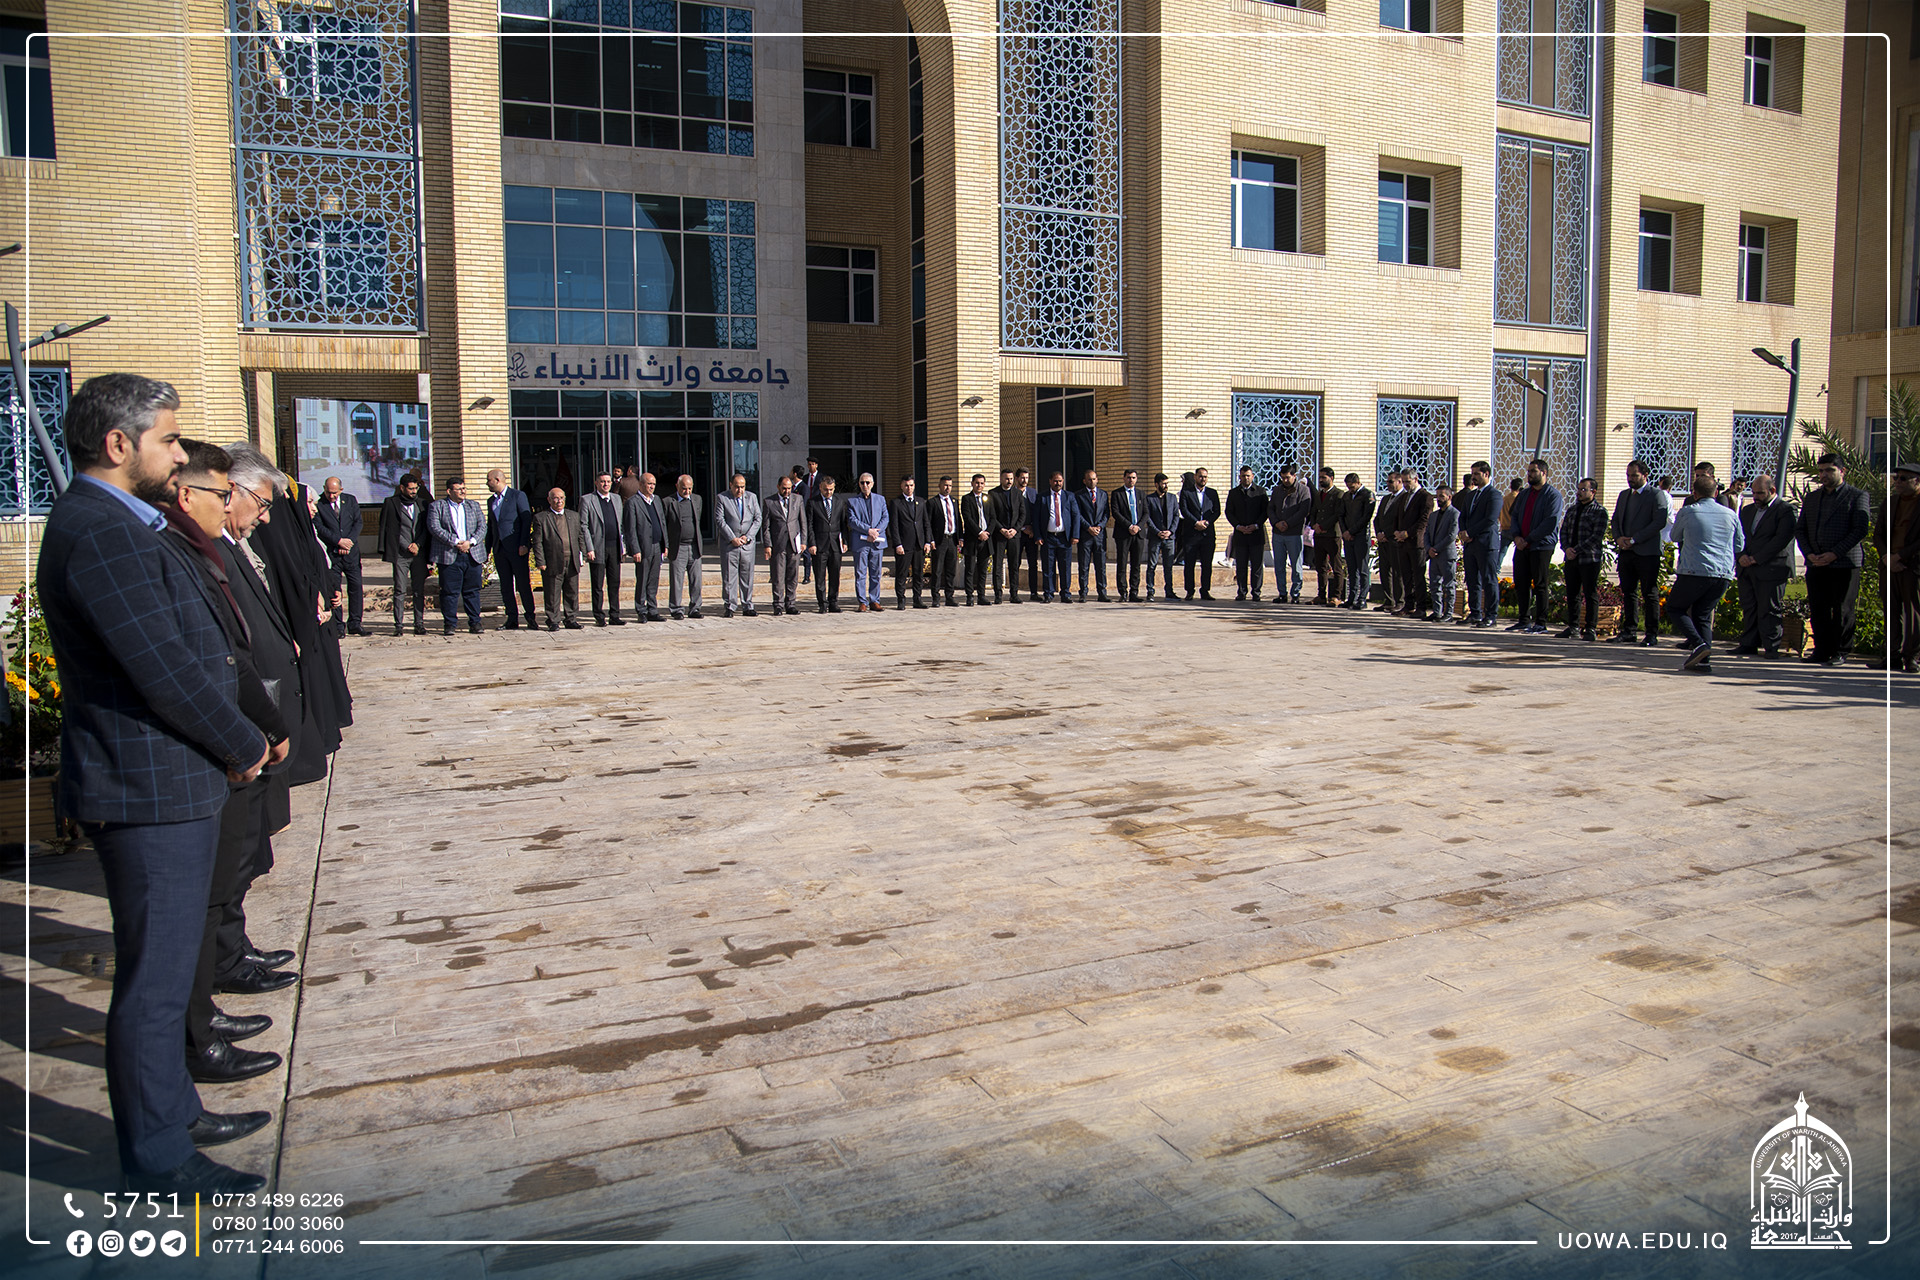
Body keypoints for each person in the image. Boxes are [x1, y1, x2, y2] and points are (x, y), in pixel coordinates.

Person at [36, 374, 273, 1194]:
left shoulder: (116, 522)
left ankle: (174, 1109)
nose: (179, 455)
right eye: (168, 439)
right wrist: (243, 742)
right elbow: (162, 669)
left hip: (166, 779)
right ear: (118, 444)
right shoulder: (101, 530)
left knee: (165, 975)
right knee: (155, 983)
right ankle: (160, 1157)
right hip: (147, 785)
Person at [160, 443, 295, 1088]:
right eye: (245, 501)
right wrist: (251, 737)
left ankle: (224, 968)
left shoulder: (208, 546)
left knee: (230, 872)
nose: (260, 517)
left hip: (242, 729)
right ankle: (193, 1040)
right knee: (197, 901)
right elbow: (193, 663)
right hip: (202, 754)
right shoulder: (155, 547)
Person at [216, 442, 305, 949]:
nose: (265, 519)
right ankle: (227, 957)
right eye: (263, 504)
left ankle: (234, 950)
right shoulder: (207, 549)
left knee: (239, 861)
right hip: (239, 724)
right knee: (226, 870)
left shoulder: (229, 544)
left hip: (256, 712)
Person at [1795, 453, 1873, 666]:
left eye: (1829, 470)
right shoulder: (1812, 498)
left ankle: (1840, 651)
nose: (1824, 475)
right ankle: (1821, 650)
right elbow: (1800, 529)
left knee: (1842, 609)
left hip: (1844, 563)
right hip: (1816, 562)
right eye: (1821, 471)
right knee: (1818, 607)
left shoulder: (1857, 496)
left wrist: (1835, 553)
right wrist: (1809, 553)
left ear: (1842, 471)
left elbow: (1860, 529)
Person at [1667, 474, 1746, 673]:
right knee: (1702, 614)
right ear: (1716, 492)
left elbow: (1674, 536)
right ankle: (1704, 662)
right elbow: (1739, 545)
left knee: (1675, 607)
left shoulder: (1689, 511)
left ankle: (1698, 644)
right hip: (1722, 573)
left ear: (1694, 493)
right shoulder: (1730, 514)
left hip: (1694, 571)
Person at [1733, 474, 1795, 658]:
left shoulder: (1785, 510)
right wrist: (1741, 556)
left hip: (1772, 567)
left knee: (1769, 608)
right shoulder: (1747, 510)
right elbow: (1738, 536)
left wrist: (1756, 558)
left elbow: (1781, 539)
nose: (1756, 497)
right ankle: (1748, 643)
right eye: (1753, 493)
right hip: (1747, 567)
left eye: (1760, 493)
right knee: (1749, 606)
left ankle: (1771, 645)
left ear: (1772, 490)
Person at [1609, 459, 1671, 646]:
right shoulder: (1624, 495)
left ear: (1645, 475)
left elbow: (1659, 521)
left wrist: (1635, 539)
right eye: (1628, 475)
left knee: (1649, 593)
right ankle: (1629, 630)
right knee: (1628, 592)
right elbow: (1616, 520)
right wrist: (1619, 538)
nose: (1630, 479)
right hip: (1626, 552)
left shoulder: (1656, 495)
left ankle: (1651, 633)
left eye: (1634, 475)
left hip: (1647, 552)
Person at [1505, 458, 1564, 635]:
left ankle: (1541, 622)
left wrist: (1529, 539)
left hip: (1541, 546)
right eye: (1529, 471)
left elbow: (1550, 522)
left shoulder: (1553, 495)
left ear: (1543, 473)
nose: (1529, 474)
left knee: (1540, 584)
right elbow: (1514, 516)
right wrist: (1517, 536)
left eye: (1533, 471)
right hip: (1521, 545)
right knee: (1521, 583)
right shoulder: (1524, 494)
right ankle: (1523, 620)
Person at [1877, 461, 1920, 672]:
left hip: (1912, 566)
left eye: (1903, 479)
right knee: (1891, 612)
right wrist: (1887, 557)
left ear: (1917, 481)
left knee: (1913, 613)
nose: (1897, 482)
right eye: (1896, 478)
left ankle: (1912, 656)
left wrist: (1900, 557)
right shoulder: (1890, 502)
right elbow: (1878, 534)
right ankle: (1891, 656)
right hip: (1889, 565)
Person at [427, 478, 486, 634]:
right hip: (449, 555)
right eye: (459, 489)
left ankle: (475, 622)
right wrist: (455, 542)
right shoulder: (437, 506)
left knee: (472, 591)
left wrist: (470, 542)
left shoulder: (473, 505)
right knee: (450, 591)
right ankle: (450, 624)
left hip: (472, 554)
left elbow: (482, 527)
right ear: (449, 491)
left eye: (464, 488)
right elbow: (434, 527)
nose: (463, 491)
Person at [375, 472, 429, 635]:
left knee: (419, 590)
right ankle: (398, 625)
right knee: (400, 589)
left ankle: (419, 623)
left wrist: (418, 544)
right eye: (410, 489)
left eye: (415, 488)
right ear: (402, 488)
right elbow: (389, 529)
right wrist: (406, 545)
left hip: (418, 554)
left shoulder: (422, 503)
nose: (413, 491)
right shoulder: (391, 503)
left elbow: (426, 528)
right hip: (400, 554)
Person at [484, 469, 536, 631]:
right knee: (506, 585)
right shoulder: (491, 501)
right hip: (500, 549)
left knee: (523, 584)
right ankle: (512, 618)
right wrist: (487, 549)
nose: (487, 483)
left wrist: (524, 544)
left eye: (489, 480)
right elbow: (491, 526)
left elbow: (526, 520)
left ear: (497, 480)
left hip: (516, 548)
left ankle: (530, 616)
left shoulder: (517, 496)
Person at [1556, 477, 1607, 640]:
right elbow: (1563, 531)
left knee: (1590, 593)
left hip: (1589, 559)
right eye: (1578, 489)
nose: (1579, 492)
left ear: (1593, 492)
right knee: (1572, 593)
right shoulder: (1572, 510)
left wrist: (1576, 550)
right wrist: (1566, 548)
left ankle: (1590, 628)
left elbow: (1596, 536)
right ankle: (1573, 626)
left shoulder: (1599, 511)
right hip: (1571, 559)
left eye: (1584, 489)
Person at [314, 476, 365, 636]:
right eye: (328, 492)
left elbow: (358, 522)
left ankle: (355, 623)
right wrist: (338, 541)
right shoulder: (319, 503)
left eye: (334, 493)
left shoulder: (350, 500)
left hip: (351, 554)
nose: (331, 496)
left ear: (341, 490)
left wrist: (348, 542)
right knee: (334, 590)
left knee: (355, 587)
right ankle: (338, 626)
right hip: (332, 555)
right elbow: (319, 527)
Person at [531, 487, 585, 630]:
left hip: (571, 560)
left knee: (572, 592)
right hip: (552, 561)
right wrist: (540, 561)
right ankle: (553, 620)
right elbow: (537, 542)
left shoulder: (573, 516)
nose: (559, 501)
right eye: (555, 498)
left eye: (561, 498)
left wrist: (583, 555)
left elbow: (580, 536)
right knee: (552, 593)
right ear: (549, 500)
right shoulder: (541, 518)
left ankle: (571, 619)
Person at [1456, 462, 1501, 627]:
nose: (1473, 477)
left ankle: (1491, 615)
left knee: (1488, 580)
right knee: (1472, 580)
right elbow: (1463, 516)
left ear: (1486, 474)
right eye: (1472, 474)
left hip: (1486, 543)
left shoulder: (1494, 495)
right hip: (1470, 544)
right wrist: (1463, 532)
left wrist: (1470, 532)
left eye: (1476, 474)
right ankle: (1475, 613)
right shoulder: (1471, 495)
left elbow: (1490, 519)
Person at [713, 472, 762, 618]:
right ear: (731, 485)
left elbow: (758, 518)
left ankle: (747, 605)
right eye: (737, 487)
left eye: (742, 487)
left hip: (747, 545)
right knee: (729, 576)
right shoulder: (722, 498)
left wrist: (748, 536)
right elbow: (720, 520)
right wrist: (732, 538)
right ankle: (730, 606)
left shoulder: (752, 497)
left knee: (747, 576)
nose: (740, 490)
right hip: (730, 545)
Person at [581, 472, 627, 625]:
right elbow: (584, 526)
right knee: (597, 585)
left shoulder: (616, 499)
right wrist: (589, 548)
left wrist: (623, 546)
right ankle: (599, 616)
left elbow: (621, 524)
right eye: (602, 482)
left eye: (608, 481)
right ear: (596, 483)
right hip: (598, 548)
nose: (606, 484)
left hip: (614, 547)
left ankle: (615, 615)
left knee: (614, 583)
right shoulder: (587, 500)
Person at [1030, 470, 1083, 602]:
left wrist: (1075, 535)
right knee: (1048, 567)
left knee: (1065, 567)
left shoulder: (1069, 496)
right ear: (1050, 481)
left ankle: (1065, 594)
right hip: (1048, 537)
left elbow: (1076, 516)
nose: (1057, 483)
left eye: (1060, 481)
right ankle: (1048, 594)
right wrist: (1038, 536)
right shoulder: (1042, 497)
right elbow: (1036, 518)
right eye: (1055, 481)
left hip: (1064, 538)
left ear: (1063, 481)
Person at [622, 471, 667, 623]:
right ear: (641, 485)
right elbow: (630, 529)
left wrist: (665, 544)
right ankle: (641, 610)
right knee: (642, 580)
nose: (652, 487)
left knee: (653, 580)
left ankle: (652, 610)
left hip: (657, 546)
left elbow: (662, 522)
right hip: (643, 548)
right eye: (649, 484)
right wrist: (635, 549)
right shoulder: (632, 502)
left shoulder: (657, 500)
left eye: (654, 484)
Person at [844, 472, 890, 612]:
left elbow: (885, 518)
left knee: (876, 573)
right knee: (860, 573)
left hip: (877, 541)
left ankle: (875, 600)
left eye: (868, 482)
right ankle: (862, 601)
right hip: (861, 542)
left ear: (872, 484)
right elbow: (852, 520)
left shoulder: (880, 499)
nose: (865, 485)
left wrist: (876, 532)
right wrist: (868, 531)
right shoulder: (852, 501)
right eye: (862, 482)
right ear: (859, 484)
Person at [762, 473, 806, 616]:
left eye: (789, 488)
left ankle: (791, 604)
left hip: (794, 543)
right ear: (778, 487)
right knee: (778, 576)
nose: (787, 491)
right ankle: (778, 604)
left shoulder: (798, 499)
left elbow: (802, 521)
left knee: (793, 576)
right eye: (784, 488)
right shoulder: (769, 502)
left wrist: (804, 541)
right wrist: (767, 545)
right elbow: (766, 527)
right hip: (778, 544)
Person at [1267, 464, 1311, 604]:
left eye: (1287, 478)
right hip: (1278, 533)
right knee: (1279, 565)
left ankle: (1295, 593)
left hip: (1294, 533)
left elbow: (1303, 511)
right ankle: (1282, 593)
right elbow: (1270, 509)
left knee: (1296, 565)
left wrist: (1288, 523)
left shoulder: (1303, 490)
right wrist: (1276, 523)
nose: (1285, 480)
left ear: (1294, 476)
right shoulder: (1277, 490)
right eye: (1283, 478)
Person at [663, 473, 705, 620]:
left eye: (689, 488)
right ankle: (676, 609)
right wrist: (666, 545)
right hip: (678, 547)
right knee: (677, 580)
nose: (687, 491)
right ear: (677, 486)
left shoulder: (697, 499)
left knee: (696, 580)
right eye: (684, 488)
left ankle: (695, 608)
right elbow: (664, 525)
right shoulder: (668, 502)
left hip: (694, 546)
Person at [1394, 468, 1434, 618]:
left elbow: (1424, 520)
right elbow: (1398, 517)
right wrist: (1397, 532)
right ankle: (1408, 605)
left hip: (1417, 543)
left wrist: (1407, 533)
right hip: (1403, 542)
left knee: (1418, 576)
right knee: (1406, 576)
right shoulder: (1404, 496)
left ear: (1416, 479)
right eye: (1403, 482)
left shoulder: (1425, 497)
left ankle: (1421, 607)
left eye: (1407, 482)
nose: (1405, 484)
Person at [1225, 465, 1267, 602]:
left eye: (1248, 475)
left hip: (1256, 534)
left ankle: (1256, 592)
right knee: (1241, 566)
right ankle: (1242, 592)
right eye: (1243, 476)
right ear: (1240, 477)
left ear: (1253, 476)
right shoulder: (1234, 493)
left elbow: (1265, 511)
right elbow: (1229, 512)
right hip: (1241, 534)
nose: (1246, 478)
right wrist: (1238, 526)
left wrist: (1256, 525)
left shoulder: (1260, 492)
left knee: (1257, 566)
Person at [889, 474, 931, 609]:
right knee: (902, 573)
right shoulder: (896, 503)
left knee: (918, 573)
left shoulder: (921, 501)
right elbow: (894, 526)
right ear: (901, 486)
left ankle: (917, 599)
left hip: (919, 544)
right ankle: (901, 600)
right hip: (904, 545)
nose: (909, 488)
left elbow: (926, 523)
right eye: (906, 485)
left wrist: (927, 541)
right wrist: (897, 544)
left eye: (911, 485)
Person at [806, 475, 846, 613]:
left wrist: (845, 541)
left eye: (831, 490)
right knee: (820, 576)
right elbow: (809, 525)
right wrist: (812, 543)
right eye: (825, 489)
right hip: (819, 545)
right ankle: (822, 603)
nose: (828, 492)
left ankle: (833, 602)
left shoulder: (839, 502)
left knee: (835, 575)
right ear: (820, 488)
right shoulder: (813, 503)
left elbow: (843, 524)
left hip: (835, 545)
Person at [1181, 466, 1221, 599]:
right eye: (1200, 476)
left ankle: (1205, 590)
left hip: (1207, 534)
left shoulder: (1212, 493)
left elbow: (1217, 511)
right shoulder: (1187, 493)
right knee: (1189, 564)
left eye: (1205, 477)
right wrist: (1195, 522)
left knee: (1207, 564)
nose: (1203, 479)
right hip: (1191, 534)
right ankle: (1189, 591)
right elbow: (1184, 510)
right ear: (1195, 477)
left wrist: (1207, 523)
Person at [988, 469, 1027, 603]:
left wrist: (1015, 529)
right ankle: (998, 595)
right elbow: (992, 515)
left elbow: (1022, 514)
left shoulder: (1018, 493)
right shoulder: (993, 494)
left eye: (1011, 479)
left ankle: (1014, 594)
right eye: (1006, 479)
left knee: (1014, 565)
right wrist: (1001, 529)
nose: (1009, 481)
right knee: (998, 565)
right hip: (999, 535)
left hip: (1014, 535)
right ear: (1001, 479)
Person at [1110, 469, 1148, 602]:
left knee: (1136, 564)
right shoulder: (1117, 494)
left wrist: (1138, 526)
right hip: (1123, 533)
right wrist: (1129, 526)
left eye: (1133, 477)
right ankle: (1123, 592)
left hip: (1138, 533)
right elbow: (1115, 512)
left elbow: (1146, 513)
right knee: (1122, 563)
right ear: (1124, 478)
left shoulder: (1141, 494)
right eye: (1128, 477)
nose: (1131, 480)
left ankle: (1134, 592)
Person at [1339, 473, 1375, 611]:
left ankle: (1362, 598)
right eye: (1348, 487)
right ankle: (1351, 597)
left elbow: (1366, 517)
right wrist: (1345, 532)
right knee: (1351, 568)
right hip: (1348, 537)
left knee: (1363, 569)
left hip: (1360, 536)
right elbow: (1341, 515)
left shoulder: (1367, 495)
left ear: (1358, 483)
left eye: (1352, 486)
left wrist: (1352, 531)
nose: (1350, 489)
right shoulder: (1346, 496)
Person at [1424, 485, 1461, 622]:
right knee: (1435, 584)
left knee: (1449, 585)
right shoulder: (1433, 515)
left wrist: (1436, 549)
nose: (1438, 499)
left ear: (1449, 497)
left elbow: (1451, 535)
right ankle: (1437, 612)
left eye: (1441, 496)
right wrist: (1429, 548)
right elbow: (1427, 533)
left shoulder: (1455, 514)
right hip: (1433, 555)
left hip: (1446, 554)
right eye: (1437, 496)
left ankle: (1448, 613)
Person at [1310, 466, 1346, 605]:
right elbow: (1313, 511)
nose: (1321, 480)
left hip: (1332, 535)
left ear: (1331, 478)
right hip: (1319, 535)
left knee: (1336, 567)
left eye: (1324, 477)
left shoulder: (1338, 494)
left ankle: (1336, 596)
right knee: (1321, 566)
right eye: (1320, 477)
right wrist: (1314, 525)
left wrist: (1323, 527)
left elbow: (1337, 514)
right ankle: (1321, 595)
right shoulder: (1318, 494)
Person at [1074, 469, 1111, 602]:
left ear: (1097, 480)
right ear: (1084, 481)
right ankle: (1083, 592)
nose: (1092, 481)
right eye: (1089, 479)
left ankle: (1102, 592)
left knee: (1101, 566)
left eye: (1094, 479)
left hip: (1100, 535)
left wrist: (1100, 526)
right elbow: (1078, 514)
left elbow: (1106, 513)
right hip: (1086, 535)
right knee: (1084, 566)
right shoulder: (1078, 495)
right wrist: (1088, 527)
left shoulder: (1103, 494)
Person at [1371, 470, 1405, 612]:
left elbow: (1399, 520)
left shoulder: (1404, 498)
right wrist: (1379, 533)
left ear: (1399, 481)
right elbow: (1378, 518)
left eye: (1391, 481)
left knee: (1398, 573)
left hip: (1395, 540)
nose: (1388, 484)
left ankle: (1400, 601)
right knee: (1385, 571)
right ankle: (1388, 600)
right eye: (1387, 481)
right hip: (1383, 541)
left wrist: (1388, 534)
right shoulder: (1386, 499)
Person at [927, 475, 962, 607]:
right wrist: (930, 540)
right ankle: (936, 598)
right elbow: (928, 523)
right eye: (945, 485)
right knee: (937, 570)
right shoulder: (933, 502)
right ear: (939, 486)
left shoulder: (954, 501)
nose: (948, 488)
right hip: (939, 540)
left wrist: (960, 537)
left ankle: (949, 597)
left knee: (951, 570)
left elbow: (958, 520)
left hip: (952, 539)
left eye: (950, 486)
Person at [1143, 472, 1178, 601]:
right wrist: (1157, 531)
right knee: (1152, 565)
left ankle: (1169, 591)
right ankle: (1150, 591)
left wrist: (1170, 531)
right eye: (1163, 484)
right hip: (1155, 537)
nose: (1166, 486)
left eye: (1167, 483)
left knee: (1168, 566)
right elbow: (1148, 517)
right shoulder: (1149, 499)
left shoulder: (1172, 498)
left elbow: (1176, 516)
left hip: (1169, 538)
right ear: (1156, 484)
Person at [960, 473, 994, 605]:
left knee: (983, 569)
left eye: (982, 483)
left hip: (986, 539)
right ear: (972, 484)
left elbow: (993, 518)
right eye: (977, 483)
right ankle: (969, 596)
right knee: (970, 569)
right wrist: (979, 532)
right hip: (972, 539)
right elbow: (967, 518)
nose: (979, 485)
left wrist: (987, 533)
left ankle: (981, 596)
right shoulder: (967, 499)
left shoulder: (988, 498)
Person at [1016, 467, 1043, 600]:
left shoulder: (1033, 493)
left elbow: (1036, 512)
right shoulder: (1013, 493)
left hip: (1031, 534)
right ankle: (1014, 593)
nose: (1024, 480)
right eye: (1022, 477)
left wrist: (1033, 528)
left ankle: (1034, 593)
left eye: (1027, 477)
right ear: (1017, 478)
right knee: (1015, 563)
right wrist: (1022, 528)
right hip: (1017, 534)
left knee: (1033, 564)